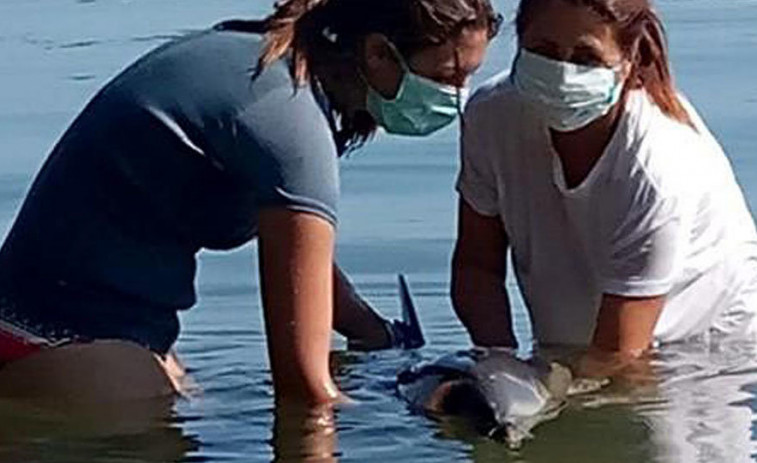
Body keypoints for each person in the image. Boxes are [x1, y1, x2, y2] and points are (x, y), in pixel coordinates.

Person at [0, 0, 502, 405]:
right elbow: (304, 391)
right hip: (69, 347)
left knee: (193, 401)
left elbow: (299, 260)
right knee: (164, 406)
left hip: (40, 326)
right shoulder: (293, 125)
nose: (458, 97)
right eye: (449, 76)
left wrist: (373, 332)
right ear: (377, 53)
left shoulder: (260, 67)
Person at [452, 0, 757, 375]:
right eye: (544, 52)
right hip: (576, 342)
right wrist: (496, 363)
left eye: (586, 58)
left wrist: (545, 394)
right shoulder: (491, 117)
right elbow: (476, 266)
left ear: (627, 62)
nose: (562, 73)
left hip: (700, 360)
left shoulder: (657, 167)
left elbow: (620, 355)